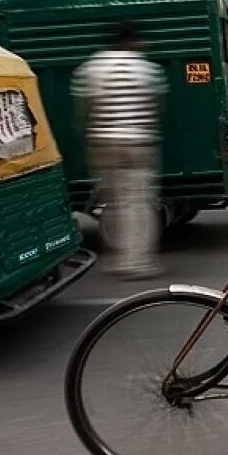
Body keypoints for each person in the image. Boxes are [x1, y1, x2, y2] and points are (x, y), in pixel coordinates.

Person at [71, 24, 167, 280]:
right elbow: (156, 105)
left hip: (103, 142)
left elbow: (84, 107)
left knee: (113, 202)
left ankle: (117, 257)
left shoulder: (93, 67)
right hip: (137, 143)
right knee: (139, 203)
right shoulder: (146, 68)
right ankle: (136, 261)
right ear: (132, 42)